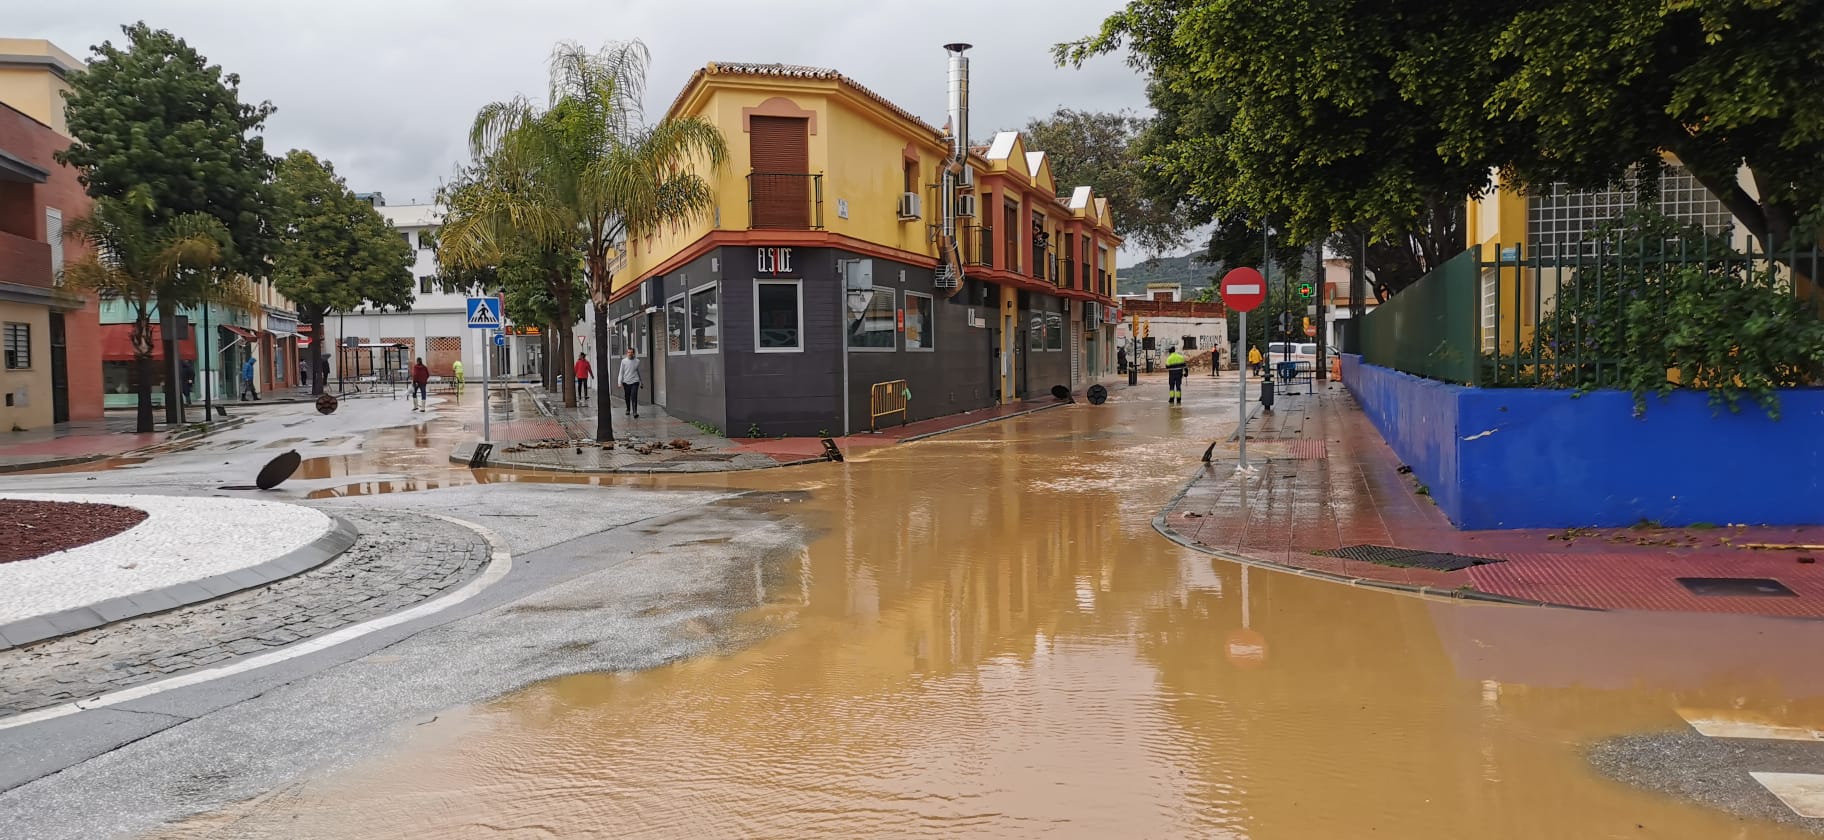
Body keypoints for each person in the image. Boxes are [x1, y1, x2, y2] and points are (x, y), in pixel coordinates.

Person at [618, 347, 641, 418]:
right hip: (626, 382)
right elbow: (621, 372)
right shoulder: (623, 361)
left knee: (634, 396)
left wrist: (641, 381)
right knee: (627, 397)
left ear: (634, 353)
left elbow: (637, 371)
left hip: (635, 381)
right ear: (627, 353)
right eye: (629, 352)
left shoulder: (637, 361)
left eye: (631, 352)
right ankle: (628, 409)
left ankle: (635, 412)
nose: (630, 354)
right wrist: (619, 381)